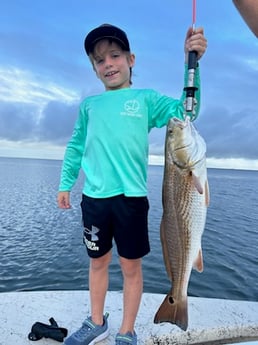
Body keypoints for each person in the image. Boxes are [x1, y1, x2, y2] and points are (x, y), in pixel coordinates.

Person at [57, 23, 207, 345]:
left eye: (114, 55)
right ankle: (97, 323)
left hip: (132, 199)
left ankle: (127, 331)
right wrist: (65, 183)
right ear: (94, 69)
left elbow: (185, 112)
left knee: (130, 267)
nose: (108, 64)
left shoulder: (145, 99)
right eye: (99, 60)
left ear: (131, 59)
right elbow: (75, 146)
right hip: (94, 198)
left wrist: (191, 65)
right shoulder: (89, 106)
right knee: (97, 263)